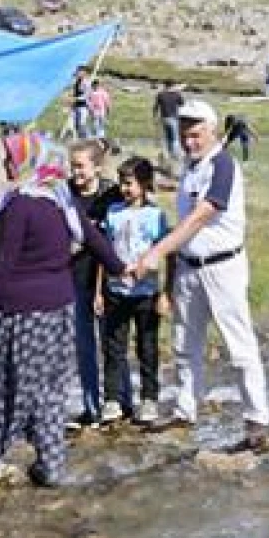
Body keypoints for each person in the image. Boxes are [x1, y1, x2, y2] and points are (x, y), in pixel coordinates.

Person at [0, 132, 127, 492]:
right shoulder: (58, 200)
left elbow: (2, 264)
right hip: (59, 310)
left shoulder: (20, 206)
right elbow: (95, 240)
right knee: (50, 389)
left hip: (18, 312)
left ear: (25, 163)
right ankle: (50, 465)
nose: (6, 165)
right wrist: (121, 267)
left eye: (10, 159)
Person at [133, 100, 269, 445]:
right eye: (183, 136)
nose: (189, 142)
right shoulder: (193, 168)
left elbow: (200, 216)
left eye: (195, 135)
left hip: (222, 267)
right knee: (184, 344)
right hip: (188, 268)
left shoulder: (223, 165)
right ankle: (185, 410)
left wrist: (157, 252)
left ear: (212, 131)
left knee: (239, 347)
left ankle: (257, 421)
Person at [97, 157, 171, 423]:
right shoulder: (113, 212)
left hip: (146, 292)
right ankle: (113, 399)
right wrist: (98, 292)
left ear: (144, 184)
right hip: (115, 291)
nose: (124, 189)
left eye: (129, 184)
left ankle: (149, 398)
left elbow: (168, 254)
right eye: (122, 183)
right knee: (114, 347)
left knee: (147, 347)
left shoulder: (156, 216)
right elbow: (103, 253)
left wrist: (165, 293)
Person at [67, 140, 121, 427]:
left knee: (113, 342)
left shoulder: (112, 193)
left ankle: (121, 400)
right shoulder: (66, 193)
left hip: (107, 280)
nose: (75, 172)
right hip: (74, 277)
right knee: (84, 345)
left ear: (97, 167)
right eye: (72, 165)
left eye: (80, 166)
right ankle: (91, 406)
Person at [153, 80, 183, 165]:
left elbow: (155, 107)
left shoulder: (160, 95)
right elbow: (182, 105)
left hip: (164, 118)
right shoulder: (177, 94)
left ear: (165, 85)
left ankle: (170, 155)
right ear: (173, 86)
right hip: (174, 118)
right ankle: (176, 156)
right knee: (175, 138)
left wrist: (155, 117)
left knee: (168, 137)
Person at [69, 67, 93, 138]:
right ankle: (75, 139)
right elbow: (74, 93)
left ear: (84, 73)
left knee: (81, 124)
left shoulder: (87, 82)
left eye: (79, 72)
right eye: (77, 72)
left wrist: (76, 98)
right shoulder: (76, 82)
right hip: (75, 106)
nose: (77, 73)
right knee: (73, 124)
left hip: (83, 106)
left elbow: (88, 94)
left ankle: (88, 138)